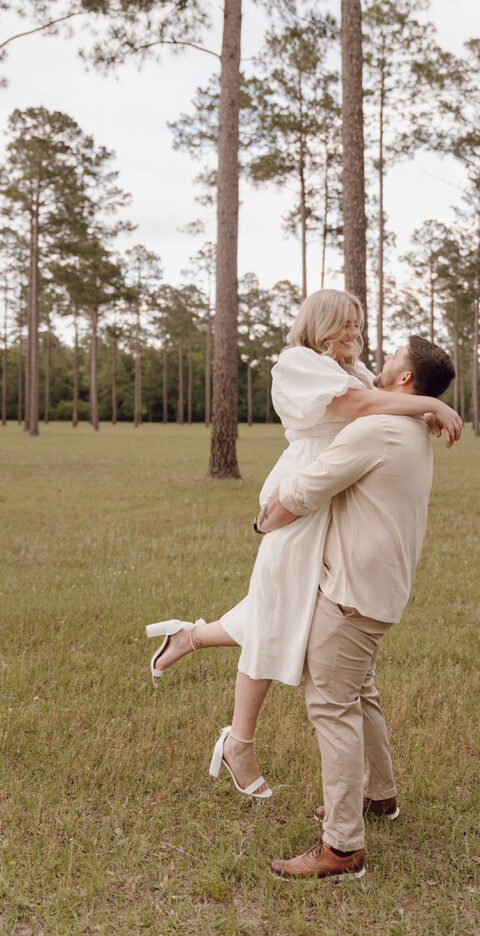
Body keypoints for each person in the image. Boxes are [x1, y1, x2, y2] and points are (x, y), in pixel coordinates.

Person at [146, 292, 462, 800]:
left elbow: (378, 404)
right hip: (304, 488)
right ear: (321, 323)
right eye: (347, 326)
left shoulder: (352, 367)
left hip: (337, 493)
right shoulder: (297, 364)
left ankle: (191, 637)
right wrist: (428, 402)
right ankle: (239, 742)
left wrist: (417, 414)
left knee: (291, 610)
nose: (355, 337)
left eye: (358, 327)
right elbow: (360, 407)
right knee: (278, 609)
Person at [254, 336, 455, 879]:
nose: (381, 361)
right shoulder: (410, 428)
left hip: (352, 594)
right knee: (361, 692)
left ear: (406, 379)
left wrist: (264, 519)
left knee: (331, 706)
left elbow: (304, 492)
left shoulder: (379, 429)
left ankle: (342, 848)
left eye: (392, 358)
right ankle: (380, 796)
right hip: (381, 591)